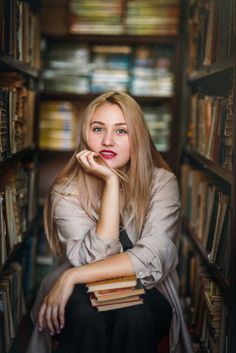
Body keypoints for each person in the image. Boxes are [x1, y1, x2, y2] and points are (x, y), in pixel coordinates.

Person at [26, 91, 193, 353]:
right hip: (82, 292)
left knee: (134, 317)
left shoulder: (162, 183)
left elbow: (154, 256)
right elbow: (94, 259)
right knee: (86, 318)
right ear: (85, 135)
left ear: (138, 136)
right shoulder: (66, 189)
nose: (107, 141)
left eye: (121, 131)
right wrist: (111, 183)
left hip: (145, 288)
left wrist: (72, 275)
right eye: (98, 128)